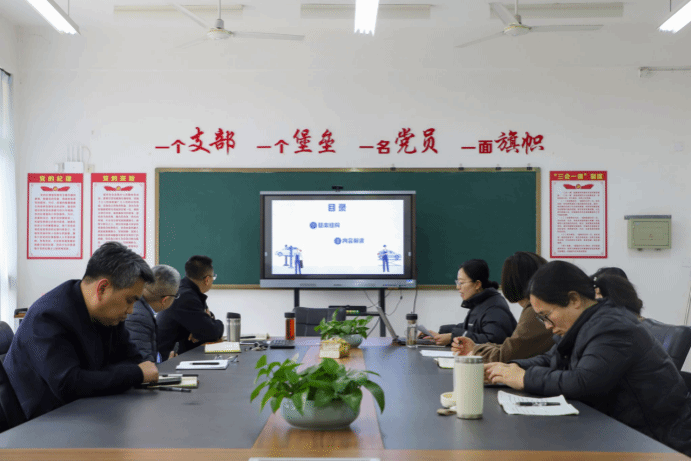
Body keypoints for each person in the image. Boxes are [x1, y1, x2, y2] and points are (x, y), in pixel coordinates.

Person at [486, 261, 691, 456]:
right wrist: (504, 369)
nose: (547, 326)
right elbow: (550, 359)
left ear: (574, 300)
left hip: (658, 442)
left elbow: (583, 382)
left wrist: (523, 378)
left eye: (547, 315)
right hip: (621, 432)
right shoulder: (585, 324)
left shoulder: (613, 327)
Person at [3, 242, 159, 421]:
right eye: (129, 300)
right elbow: (68, 384)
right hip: (40, 423)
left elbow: (133, 360)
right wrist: (134, 374)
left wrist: (97, 378)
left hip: (86, 411)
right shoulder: (48, 316)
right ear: (102, 288)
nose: (130, 310)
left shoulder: (108, 315)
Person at [451, 252, 554, 362]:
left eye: (461, 283)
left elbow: (506, 354)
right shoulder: (536, 307)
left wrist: (475, 350)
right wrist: (475, 347)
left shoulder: (535, 311)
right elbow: (512, 347)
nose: (458, 287)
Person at [425, 259, 516, 346]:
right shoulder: (479, 302)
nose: (458, 287)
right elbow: (471, 327)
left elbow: (493, 341)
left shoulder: (494, 308)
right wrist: (441, 333)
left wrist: (453, 337)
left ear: (477, 284)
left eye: (461, 283)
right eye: (457, 282)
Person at [156, 255, 224, 359]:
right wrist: (218, 325)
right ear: (207, 280)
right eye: (213, 278)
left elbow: (206, 322)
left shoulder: (186, 290)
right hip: (167, 360)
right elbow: (212, 332)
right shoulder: (186, 296)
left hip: (179, 354)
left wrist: (200, 329)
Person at [124, 264, 181, 363]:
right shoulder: (139, 318)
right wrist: (166, 367)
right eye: (176, 295)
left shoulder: (139, 307)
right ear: (165, 300)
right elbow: (142, 365)